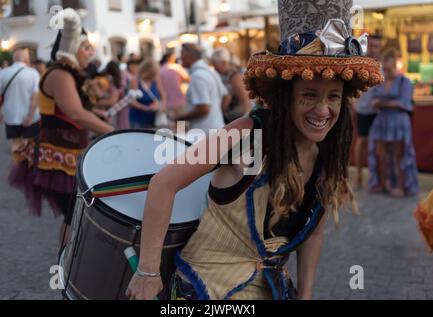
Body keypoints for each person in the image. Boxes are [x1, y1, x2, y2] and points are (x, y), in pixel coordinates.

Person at [126, 0, 383, 300]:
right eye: (310, 95)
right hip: (206, 292)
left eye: (334, 97)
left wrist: (307, 294)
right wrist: (148, 273)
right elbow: (163, 184)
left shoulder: (328, 152)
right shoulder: (247, 134)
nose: (323, 110)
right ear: (286, 96)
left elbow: (314, 231)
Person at [7, 9, 113, 244]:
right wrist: (113, 132)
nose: (91, 52)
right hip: (58, 155)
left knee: (74, 213)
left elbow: (74, 109)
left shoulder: (68, 74)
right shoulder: (60, 75)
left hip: (69, 152)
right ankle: (67, 261)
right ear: (72, 47)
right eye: (85, 47)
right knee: (71, 214)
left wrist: (97, 112)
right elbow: (76, 113)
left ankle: (69, 261)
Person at [368, 49, 419, 197]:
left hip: (399, 122)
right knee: (381, 155)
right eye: (384, 68)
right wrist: (384, 103)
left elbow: (403, 103)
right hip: (382, 121)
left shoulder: (405, 82)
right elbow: (373, 101)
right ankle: (383, 184)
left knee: (399, 156)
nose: (386, 70)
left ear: (394, 64)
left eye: (388, 68)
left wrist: (382, 103)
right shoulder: (380, 82)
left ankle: (401, 186)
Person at [0, 49, 41, 153]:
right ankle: (27, 167)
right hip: (30, 118)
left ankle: (16, 165)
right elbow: (35, 98)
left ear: (13, 59)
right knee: (30, 148)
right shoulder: (33, 73)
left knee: (15, 145)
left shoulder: (3, 73)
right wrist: (30, 117)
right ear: (26, 59)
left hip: (11, 116)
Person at [173, 43, 228, 135]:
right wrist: (215, 115)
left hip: (204, 132)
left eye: (181, 55)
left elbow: (203, 109)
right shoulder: (211, 72)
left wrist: (180, 118)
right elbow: (226, 97)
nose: (180, 59)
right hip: (216, 128)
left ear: (189, 56)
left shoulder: (197, 76)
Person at [353, 35, 382, 189]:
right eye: (372, 46)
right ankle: (358, 176)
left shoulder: (381, 66)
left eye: (377, 46)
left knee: (377, 144)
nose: (374, 49)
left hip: (378, 111)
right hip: (363, 109)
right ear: (368, 46)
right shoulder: (360, 64)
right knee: (362, 142)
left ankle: (374, 178)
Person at [211, 48, 252, 123]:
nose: (214, 68)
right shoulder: (229, 75)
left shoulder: (235, 76)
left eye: (215, 65)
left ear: (223, 63)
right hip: (235, 118)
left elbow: (246, 100)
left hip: (239, 119)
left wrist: (247, 119)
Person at [129, 59, 167, 129]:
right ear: (148, 72)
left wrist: (163, 106)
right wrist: (147, 108)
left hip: (153, 118)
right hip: (138, 119)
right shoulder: (135, 81)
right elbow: (131, 101)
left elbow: (163, 95)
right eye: (153, 73)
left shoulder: (155, 79)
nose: (155, 75)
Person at [159, 50, 189, 120]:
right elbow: (187, 79)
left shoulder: (160, 70)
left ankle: (174, 131)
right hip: (180, 99)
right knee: (180, 123)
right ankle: (180, 131)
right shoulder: (176, 67)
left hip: (167, 101)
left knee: (171, 123)